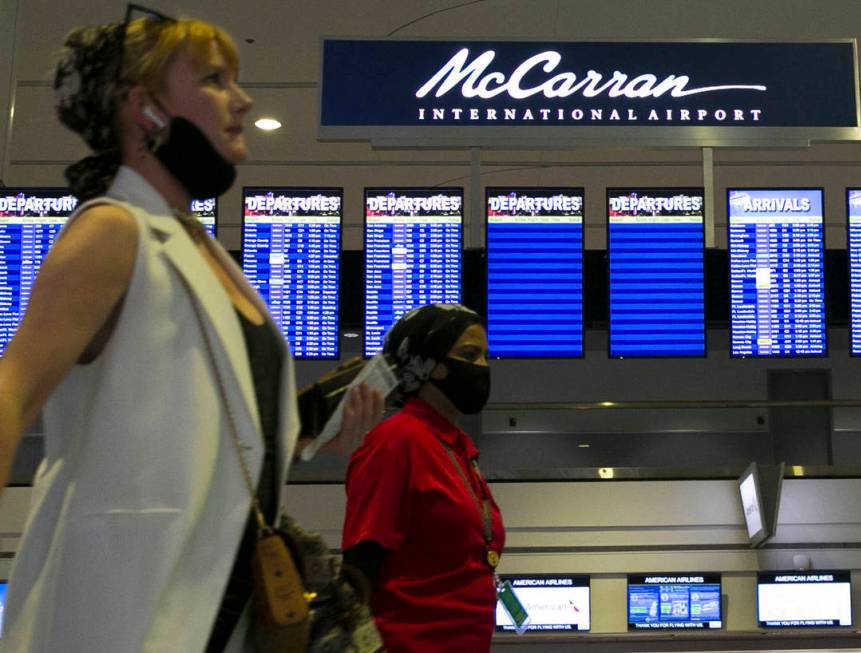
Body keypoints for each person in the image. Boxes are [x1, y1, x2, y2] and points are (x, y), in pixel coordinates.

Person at [0, 11, 382, 652]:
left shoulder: (202, 248)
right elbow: (13, 390)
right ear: (141, 108)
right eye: (213, 79)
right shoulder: (112, 231)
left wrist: (305, 437)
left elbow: (195, 427)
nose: (244, 98)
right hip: (121, 610)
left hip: (212, 608)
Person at [342, 304, 505, 653]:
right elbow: (360, 567)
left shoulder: (458, 447)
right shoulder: (396, 441)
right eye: (469, 354)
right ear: (426, 364)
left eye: (485, 356)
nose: (482, 367)